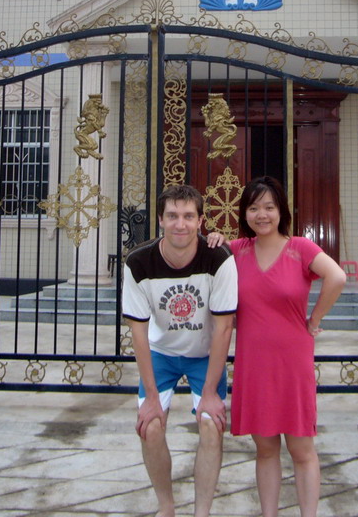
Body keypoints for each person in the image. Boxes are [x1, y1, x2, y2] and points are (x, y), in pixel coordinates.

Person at [216, 176, 347, 517]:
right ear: (244, 212)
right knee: (265, 449)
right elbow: (201, 258)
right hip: (253, 362)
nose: (262, 214)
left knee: (302, 448)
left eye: (269, 207)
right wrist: (213, 238)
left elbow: (337, 277)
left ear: (281, 211)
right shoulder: (235, 252)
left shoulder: (300, 248)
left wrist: (314, 319)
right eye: (254, 207)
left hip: (292, 360)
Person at [122, 184, 237, 517]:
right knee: (151, 426)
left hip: (204, 355)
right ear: (160, 219)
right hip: (161, 354)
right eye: (172, 215)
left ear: (201, 221)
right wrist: (152, 399)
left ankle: (202, 512)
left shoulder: (218, 258)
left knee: (212, 425)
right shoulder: (138, 262)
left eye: (188, 216)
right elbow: (139, 333)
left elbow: (224, 327)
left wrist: (213, 395)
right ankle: (166, 508)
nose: (180, 224)